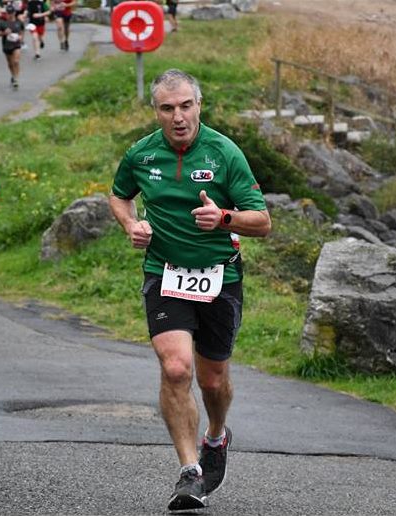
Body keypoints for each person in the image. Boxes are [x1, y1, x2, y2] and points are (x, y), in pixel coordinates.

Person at [109, 69, 271, 512]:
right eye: (167, 108)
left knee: (212, 379)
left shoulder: (224, 153)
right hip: (165, 273)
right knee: (176, 368)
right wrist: (131, 224)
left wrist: (224, 218)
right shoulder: (141, 154)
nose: (178, 117)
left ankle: (216, 436)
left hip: (220, 277)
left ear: (199, 105)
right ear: (156, 111)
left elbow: (262, 221)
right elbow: (120, 196)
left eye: (185, 106)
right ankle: (189, 471)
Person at [0, 3, 24, 89]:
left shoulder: (19, 22)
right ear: (6, 13)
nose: (10, 14)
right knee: (10, 64)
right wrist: (4, 33)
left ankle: (16, 79)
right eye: (8, 13)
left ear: (14, 12)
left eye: (12, 13)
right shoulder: (2, 23)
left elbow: (22, 31)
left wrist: (21, 37)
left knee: (16, 61)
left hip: (16, 44)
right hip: (7, 45)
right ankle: (13, 75)